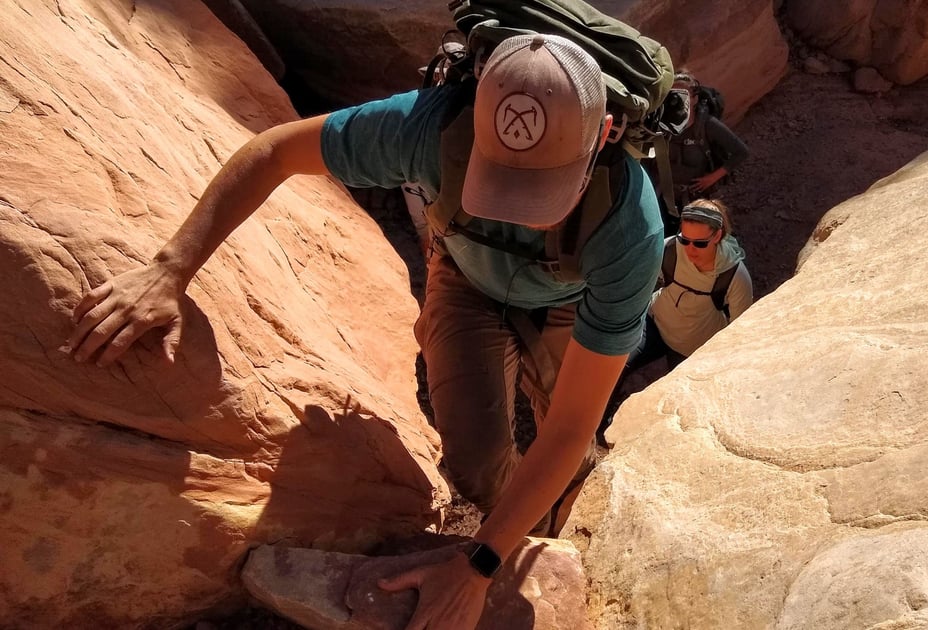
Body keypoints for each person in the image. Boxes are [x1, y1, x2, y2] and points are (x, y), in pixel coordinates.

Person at [63, 33, 662, 629]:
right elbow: (274, 152)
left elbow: (568, 425)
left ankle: (551, 528)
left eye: (537, 194)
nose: (510, 210)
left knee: (570, 439)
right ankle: (521, 527)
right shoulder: (424, 129)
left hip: (569, 302)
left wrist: (476, 565)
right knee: (476, 461)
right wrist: (171, 270)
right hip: (466, 285)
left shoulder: (628, 227)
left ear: (605, 134)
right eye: (498, 183)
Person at [597, 199, 751, 446]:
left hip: (694, 348)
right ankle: (595, 429)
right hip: (657, 322)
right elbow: (641, 281)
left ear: (718, 235)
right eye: (685, 239)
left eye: (700, 243)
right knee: (615, 366)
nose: (690, 249)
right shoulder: (669, 248)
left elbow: (739, 332)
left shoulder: (734, 276)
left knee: (681, 406)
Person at [662, 71, 749, 227]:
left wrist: (712, 178)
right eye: (673, 94)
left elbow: (740, 152)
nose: (678, 100)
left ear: (695, 99)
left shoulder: (707, 125)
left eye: (684, 95)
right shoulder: (662, 124)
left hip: (695, 197)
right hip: (663, 194)